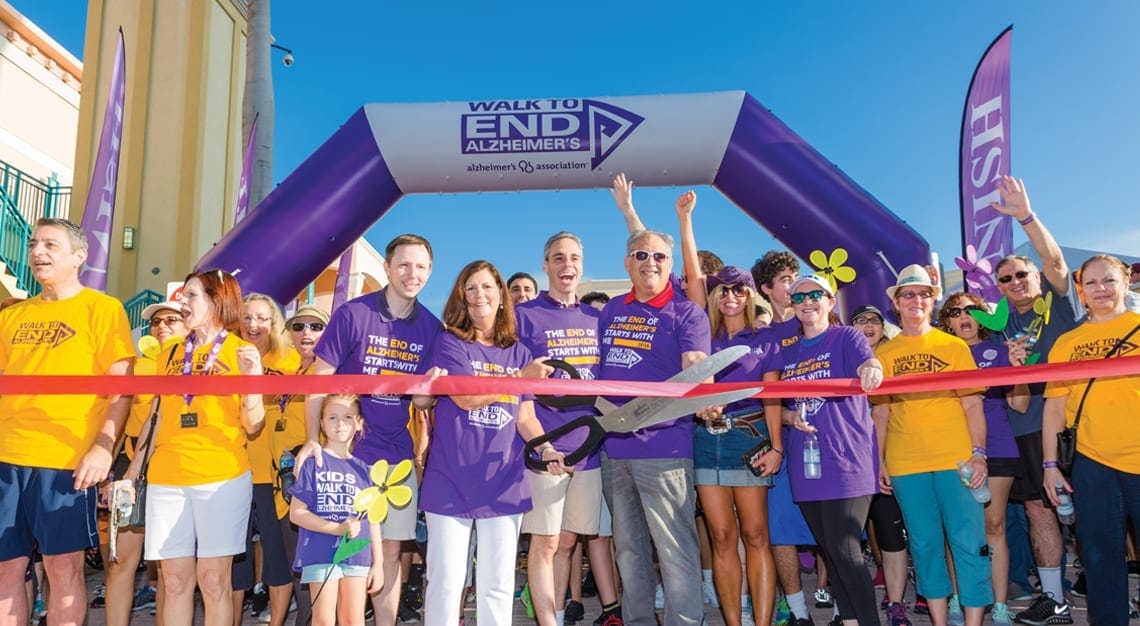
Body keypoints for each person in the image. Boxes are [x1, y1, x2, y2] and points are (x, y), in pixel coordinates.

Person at [297, 234, 442, 626]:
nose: (413, 274)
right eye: (405, 265)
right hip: (350, 456)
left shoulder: (432, 327)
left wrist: (428, 388)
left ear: (430, 273)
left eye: (421, 267)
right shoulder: (352, 314)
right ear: (388, 268)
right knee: (348, 551)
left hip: (397, 459)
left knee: (390, 552)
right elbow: (319, 381)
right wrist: (314, 441)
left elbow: (424, 405)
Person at [415, 260, 567, 626]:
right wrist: (518, 379)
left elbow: (526, 417)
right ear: (462, 298)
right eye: (471, 288)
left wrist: (547, 449)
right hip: (451, 479)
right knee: (447, 584)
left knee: (498, 585)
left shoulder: (518, 351)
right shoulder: (450, 343)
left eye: (487, 286)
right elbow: (466, 399)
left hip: (504, 481)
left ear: (501, 296)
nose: (480, 294)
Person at [0, 218, 135, 625]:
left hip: (66, 461)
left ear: (79, 257)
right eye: (34, 243)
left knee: (63, 570)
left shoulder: (104, 309)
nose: (38, 252)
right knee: (7, 570)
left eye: (51, 245)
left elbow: (122, 388)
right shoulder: (11, 316)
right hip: (7, 458)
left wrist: (103, 445)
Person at [597, 227, 711, 626]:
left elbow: (696, 363)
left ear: (671, 265)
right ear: (627, 263)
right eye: (641, 256)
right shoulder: (611, 310)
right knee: (628, 550)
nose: (651, 263)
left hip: (665, 448)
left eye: (660, 256)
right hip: (614, 447)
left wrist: (702, 383)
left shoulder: (686, 312)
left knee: (675, 549)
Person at [139, 269, 265, 626]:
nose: (182, 302)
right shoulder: (171, 352)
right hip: (167, 476)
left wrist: (253, 383)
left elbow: (254, 425)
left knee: (213, 582)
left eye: (190, 295)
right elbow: (159, 415)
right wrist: (136, 471)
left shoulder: (242, 350)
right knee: (175, 581)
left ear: (216, 300)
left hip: (221, 476)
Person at [675, 191, 777, 626]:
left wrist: (776, 445)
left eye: (739, 290)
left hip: (750, 437)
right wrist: (685, 221)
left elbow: (772, 395)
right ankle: (734, 622)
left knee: (755, 536)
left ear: (751, 295)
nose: (731, 296)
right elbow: (695, 278)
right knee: (720, 537)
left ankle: (763, 621)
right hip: (705, 440)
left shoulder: (765, 338)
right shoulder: (703, 333)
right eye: (724, 290)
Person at [871, 265, 991, 626]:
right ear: (895, 302)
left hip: (957, 461)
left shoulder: (953, 346)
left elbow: (972, 404)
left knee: (969, 543)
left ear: (933, 299)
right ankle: (939, 622)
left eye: (923, 293)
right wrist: (879, 461)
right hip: (907, 463)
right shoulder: (886, 354)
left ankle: (972, 622)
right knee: (924, 546)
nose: (916, 300)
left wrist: (979, 453)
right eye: (908, 294)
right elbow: (881, 415)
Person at [764, 275, 884, 626]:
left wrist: (872, 369)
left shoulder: (846, 336)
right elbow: (779, 407)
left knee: (847, 551)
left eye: (816, 294)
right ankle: (849, 621)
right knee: (831, 553)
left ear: (830, 302)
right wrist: (789, 416)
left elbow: (868, 363)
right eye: (799, 296)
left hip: (848, 462)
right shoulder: (788, 353)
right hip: (807, 466)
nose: (807, 300)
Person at [987, 176, 1078, 624]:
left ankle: (1111, 590)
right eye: (1006, 279)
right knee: (1040, 513)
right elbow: (1014, 400)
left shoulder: (1061, 304)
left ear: (1035, 276)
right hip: (1027, 431)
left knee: (1105, 513)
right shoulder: (1001, 332)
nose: (1015, 282)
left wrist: (1026, 215)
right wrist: (1013, 371)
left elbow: (1056, 259)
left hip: (1076, 426)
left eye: (1022, 274)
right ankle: (1056, 600)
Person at [515, 232, 610, 626]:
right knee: (546, 541)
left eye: (573, 258)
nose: (566, 265)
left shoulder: (598, 318)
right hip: (545, 447)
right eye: (557, 258)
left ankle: (554, 612)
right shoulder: (525, 315)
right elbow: (514, 380)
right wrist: (540, 444)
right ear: (546, 265)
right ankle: (548, 620)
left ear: (582, 264)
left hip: (589, 449)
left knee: (570, 540)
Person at [1043, 254, 1140, 626]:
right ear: (1081, 292)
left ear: (1125, 283)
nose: (1101, 289)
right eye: (1092, 283)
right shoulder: (1068, 343)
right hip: (1092, 463)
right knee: (1100, 558)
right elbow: (1054, 408)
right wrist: (1050, 465)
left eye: (1109, 281)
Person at [938, 292, 1030, 626]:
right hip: (950, 448)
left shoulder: (1000, 351)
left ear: (984, 316)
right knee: (957, 529)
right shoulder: (939, 352)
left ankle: (1000, 605)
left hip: (998, 446)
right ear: (945, 320)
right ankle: (958, 600)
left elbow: (1019, 406)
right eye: (954, 311)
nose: (964, 316)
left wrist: (1017, 369)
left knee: (994, 526)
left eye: (971, 310)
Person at [102, 299, 187, 625]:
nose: (162, 326)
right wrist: (110, 468)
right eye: (156, 322)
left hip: (171, 465)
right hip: (130, 466)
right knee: (120, 561)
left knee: (168, 567)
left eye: (172, 320)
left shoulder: (192, 364)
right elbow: (120, 416)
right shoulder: (134, 364)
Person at [750, 249, 818, 626]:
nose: (795, 286)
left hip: (824, 441)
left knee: (831, 527)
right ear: (766, 290)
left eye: (797, 276)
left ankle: (842, 608)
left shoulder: (823, 322)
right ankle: (798, 613)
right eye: (786, 280)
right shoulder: (762, 337)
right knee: (780, 530)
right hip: (779, 443)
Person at [234, 293, 300, 626]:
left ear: (274, 323)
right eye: (247, 317)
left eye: (262, 318)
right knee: (234, 560)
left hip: (271, 474)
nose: (253, 325)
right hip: (230, 469)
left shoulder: (288, 360)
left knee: (275, 558)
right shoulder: (224, 356)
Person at [289, 394, 382, 626]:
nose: (340, 423)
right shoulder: (312, 464)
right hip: (321, 553)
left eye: (348, 417)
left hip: (357, 553)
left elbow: (373, 521)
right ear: (321, 423)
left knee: (353, 620)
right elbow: (296, 513)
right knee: (323, 620)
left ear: (359, 422)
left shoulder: (365, 471)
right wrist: (337, 528)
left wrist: (378, 564)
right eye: (332, 417)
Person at [850, 304, 914, 625]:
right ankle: (842, 607)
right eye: (860, 321)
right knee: (843, 538)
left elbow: (885, 415)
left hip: (888, 459)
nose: (868, 325)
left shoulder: (893, 356)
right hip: (848, 463)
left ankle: (897, 603)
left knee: (891, 533)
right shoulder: (842, 358)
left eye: (874, 320)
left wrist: (882, 460)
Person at [274, 304, 329, 626]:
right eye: (299, 326)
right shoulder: (290, 375)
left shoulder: (331, 375)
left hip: (316, 485)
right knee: (298, 567)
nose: (306, 332)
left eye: (316, 326)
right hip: (283, 482)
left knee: (315, 566)